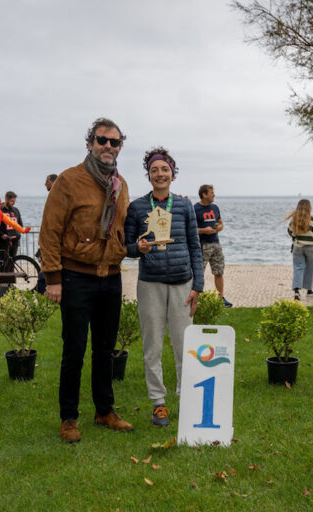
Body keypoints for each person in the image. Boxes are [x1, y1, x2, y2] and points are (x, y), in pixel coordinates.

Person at [39, 117, 133, 442]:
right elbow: (50, 231)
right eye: (101, 140)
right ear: (90, 143)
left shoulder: (121, 185)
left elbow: (123, 228)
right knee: (74, 350)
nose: (108, 146)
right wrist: (53, 278)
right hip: (76, 278)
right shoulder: (69, 180)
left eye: (114, 142)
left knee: (105, 350)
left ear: (119, 147)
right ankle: (69, 418)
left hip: (111, 277)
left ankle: (105, 411)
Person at [125, 147, 204, 428]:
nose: (160, 174)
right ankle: (158, 403)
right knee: (152, 345)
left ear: (173, 173)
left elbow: (195, 246)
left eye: (164, 169)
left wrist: (198, 285)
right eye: (154, 170)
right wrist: (138, 248)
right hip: (150, 284)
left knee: (184, 345)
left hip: (183, 283)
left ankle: (186, 398)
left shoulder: (184, 206)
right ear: (148, 175)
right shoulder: (137, 207)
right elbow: (126, 246)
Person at [194, 184, 232, 307]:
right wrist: (204, 230)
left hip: (216, 244)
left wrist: (219, 227)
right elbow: (190, 229)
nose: (214, 195)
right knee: (199, 273)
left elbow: (220, 223)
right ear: (204, 194)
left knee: (219, 272)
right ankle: (196, 298)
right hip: (202, 245)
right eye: (211, 193)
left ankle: (221, 298)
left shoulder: (215, 208)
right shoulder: (195, 209)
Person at [285, 199, 313, 301]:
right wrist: (311, 237)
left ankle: (297, 291)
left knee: (298, 267)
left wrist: (296, 237)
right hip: (310, 247)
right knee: (309, 268)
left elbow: (290, 231)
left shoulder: (294, 219)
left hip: (298, 247)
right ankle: (309, 290)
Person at [0, 191, 24, 271]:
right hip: (3, 241)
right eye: (12, 201)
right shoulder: (0, 211)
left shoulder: (16, 210)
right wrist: (1, 234)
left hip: (15, 240)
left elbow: (20, 224)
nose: (13, 203)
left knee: (12, 261)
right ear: (6, 199)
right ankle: (3, 278)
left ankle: (11, 279)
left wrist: (18, 234)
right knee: (3, 261)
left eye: (14, 201)